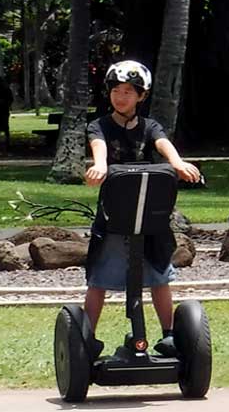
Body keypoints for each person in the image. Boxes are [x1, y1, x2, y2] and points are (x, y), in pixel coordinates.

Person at [81, 60, 203, 358]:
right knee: (98, 279)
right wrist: (100, 166)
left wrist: (177, 163)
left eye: (128, 92)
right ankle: (86, 339)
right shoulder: (99, 125)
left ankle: (169, 335)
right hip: (114, 215)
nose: (120, 97)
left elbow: (163, 144)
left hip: (149, 215)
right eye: (116, 91)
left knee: (159, 275)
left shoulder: (150, 127)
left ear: (141, 96)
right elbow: (99, 147)